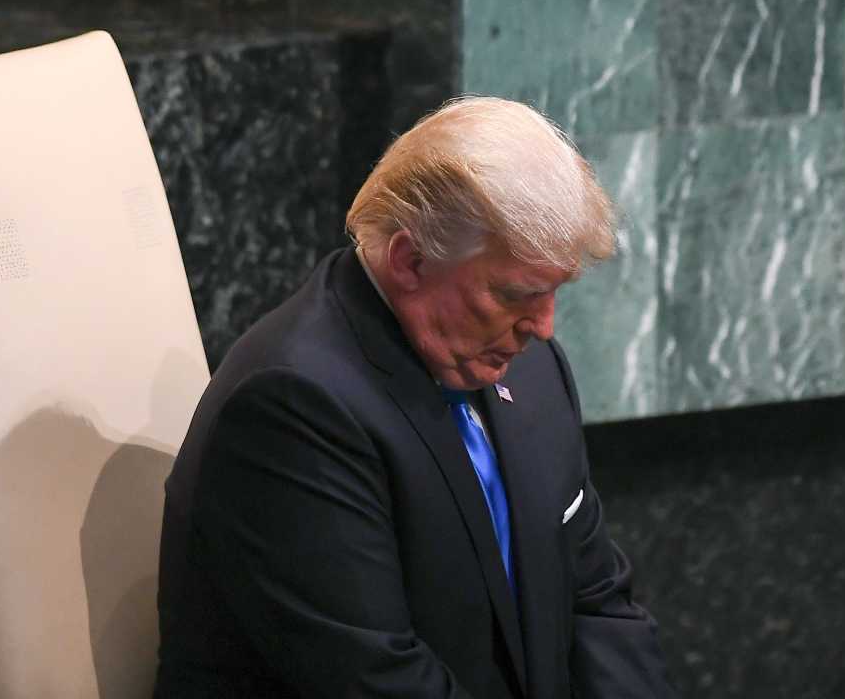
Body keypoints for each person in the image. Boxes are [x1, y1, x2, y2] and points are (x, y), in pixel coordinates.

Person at [154, 96, 677, 698]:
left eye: (553, 293)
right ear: (410, 260)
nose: (544, 327)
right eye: (513, 294)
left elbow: (596, 603)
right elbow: (379, 680)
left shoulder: (530, 375)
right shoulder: (295, 408)